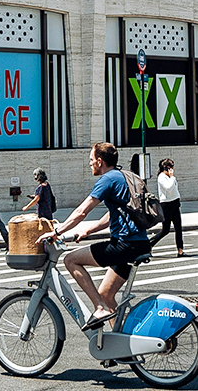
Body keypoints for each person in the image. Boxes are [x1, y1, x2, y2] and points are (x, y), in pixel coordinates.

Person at [51, 141, 152, 330]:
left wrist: (57, 232)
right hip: (139, 243)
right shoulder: (124, 176)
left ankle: (99, 308)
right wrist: (88, 231)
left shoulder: (107, 180)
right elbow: (114, 214)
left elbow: (82, 211)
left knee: (71, 260)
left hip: (124, 245)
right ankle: (120, 343)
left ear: (99, 161)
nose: (89, 164)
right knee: (105, 293)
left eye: (91, 160)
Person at [152, 158, 185, 256]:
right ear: (165, 168)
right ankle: (149, 244)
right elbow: (169, 189)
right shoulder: (162, 177)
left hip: (174, 203)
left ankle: (180, 250)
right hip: (166, 205)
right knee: (165, 230)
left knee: (178, 228)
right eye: (171, 167)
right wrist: (172, 177)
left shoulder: (170, 177)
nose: (172, 169)